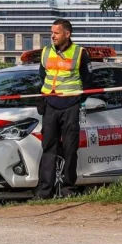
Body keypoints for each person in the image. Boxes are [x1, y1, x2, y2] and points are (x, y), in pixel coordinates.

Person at [35, 18, 93, 199]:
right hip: (50, 105)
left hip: (70, 106)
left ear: (67, 34)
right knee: (48, 148)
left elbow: (88, 80)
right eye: (51, 32)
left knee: (70, 149)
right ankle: (44, 191)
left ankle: (68, 190)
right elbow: (42, 76)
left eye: (56, 33)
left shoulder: (80, 53)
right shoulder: (46, 51)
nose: (52, 36)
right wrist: (43, 97)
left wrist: (77, 100)